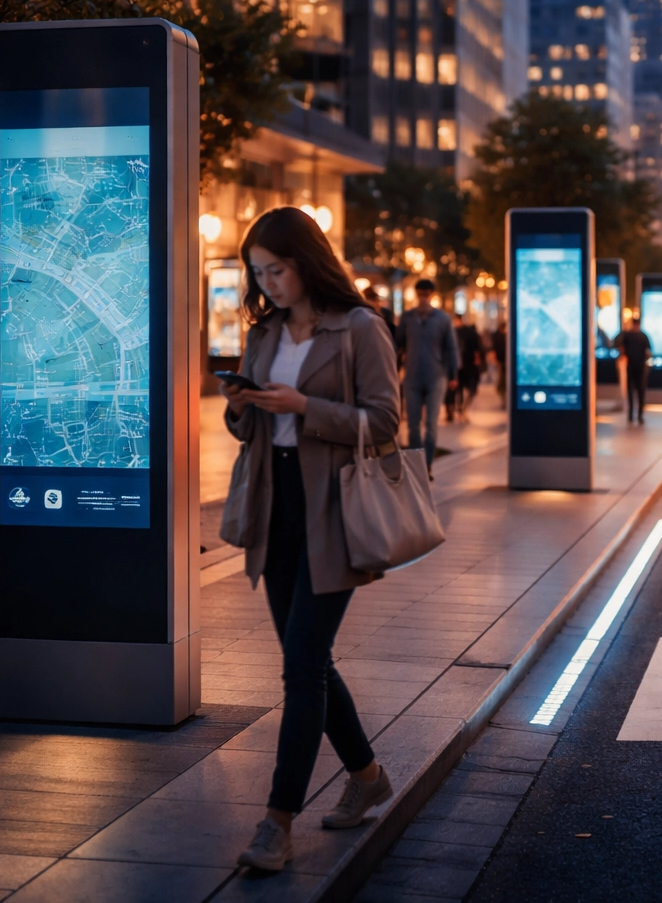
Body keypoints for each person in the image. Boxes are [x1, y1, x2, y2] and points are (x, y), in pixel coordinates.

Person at [222, 206, 400, 873]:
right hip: (275, 508)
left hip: (334, 511)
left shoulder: (359, 329)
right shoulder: (265, 333)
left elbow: (385, 421)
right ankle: (367, 777)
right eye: (258, 273)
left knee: (301, 667)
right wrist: (240, 408)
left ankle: (276, 822)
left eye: (276, 269)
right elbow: (247, 432)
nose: (266, 284)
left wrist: (305, 409)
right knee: (311, 662)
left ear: (307, 262)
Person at [394, 278, 458, 470]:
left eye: (426, 294)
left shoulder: (442, 319)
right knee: (412, 424)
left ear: (431, 295)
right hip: (412, 376)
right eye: (420, 294)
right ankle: (417, 465)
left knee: (431, 423)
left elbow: (451, 348)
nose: (423, 297)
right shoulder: (407, 318)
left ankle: (427, 463)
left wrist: (453, 374)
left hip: (436, 376)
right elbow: (397, 345)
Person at [450, 313, 484, 421]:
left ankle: (462, 409)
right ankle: (461, 410)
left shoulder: (459, 332)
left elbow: (477, 349)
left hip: (466, 365)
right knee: (461, 389)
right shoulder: (455, 332)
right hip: (463, 365)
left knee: (465, 389)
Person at [619, 316, 651, 424]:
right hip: (638, 367)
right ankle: (637, 414)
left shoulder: (629, 335)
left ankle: (634, 414)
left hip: (634, 367)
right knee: (639, 391)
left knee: (634, 391)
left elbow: (622, 348)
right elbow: (648, 352)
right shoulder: (642, 336)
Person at [491, 323, 508, 405]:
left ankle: (505, 400)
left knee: (503, 383)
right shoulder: (499, 337)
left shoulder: (505, 337)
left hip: (504, 363)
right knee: (501, 383)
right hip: (501, 363)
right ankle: (505, 400)